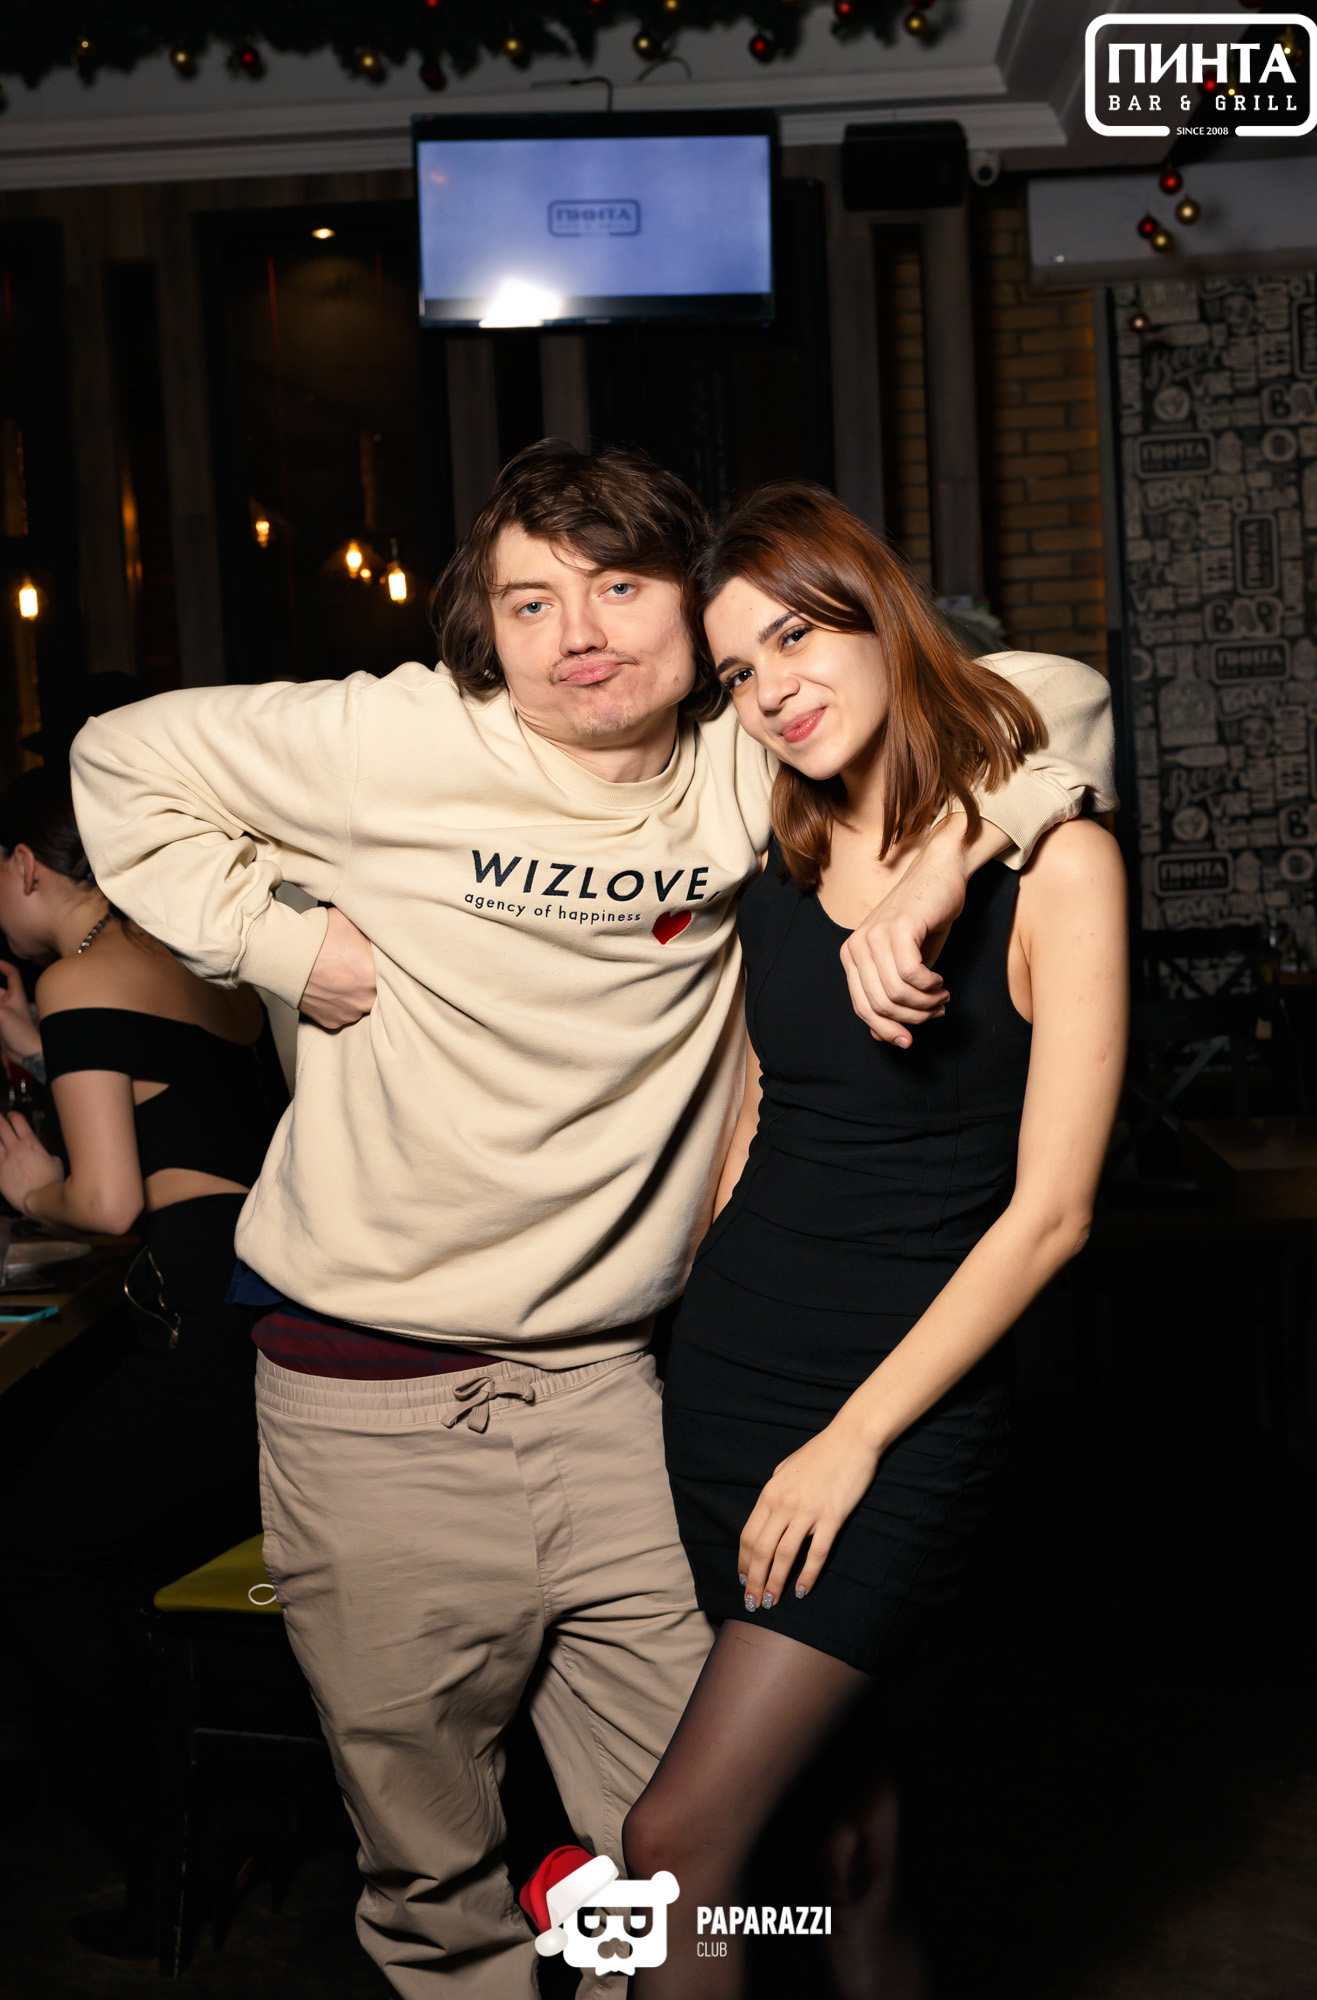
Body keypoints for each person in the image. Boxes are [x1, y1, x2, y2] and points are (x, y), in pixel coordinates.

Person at [69, 442, 1116, 1998]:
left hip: (621, 1396)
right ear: (481, 630)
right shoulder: (392, 738)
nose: (577, 635)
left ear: (694, 611)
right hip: (370, 1403)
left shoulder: (745, 759)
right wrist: (274, 944)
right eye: (529, 601)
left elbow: (1050, 697)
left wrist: (951, 855)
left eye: (621, 588)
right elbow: (113, 759)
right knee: (438, 1881)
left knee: (684, 1850)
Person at [619, 482, 1128, 1993]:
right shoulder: (780, 860)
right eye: (736, 670)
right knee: (843, 1853)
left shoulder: (1055, 866)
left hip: (891, 1421)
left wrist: (852, 1440)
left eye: (796, 634)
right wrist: (694, 1295)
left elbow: (1053, 1217)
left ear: (879, 616)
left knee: (672, 1845)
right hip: (729, 1388)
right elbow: (759, 1109)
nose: (770, 688)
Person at [0, 766, 288, 1958]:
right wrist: (34, 1039)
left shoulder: (76, 974)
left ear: (24, 863)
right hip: (274, 1325)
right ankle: (203, 1808)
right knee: (91, 1550)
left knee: (30, 1560)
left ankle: (172, 1850)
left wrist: (33, 1186)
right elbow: (178, 1108)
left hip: (206, 1343)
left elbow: (112, 1201)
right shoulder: (194, 956)